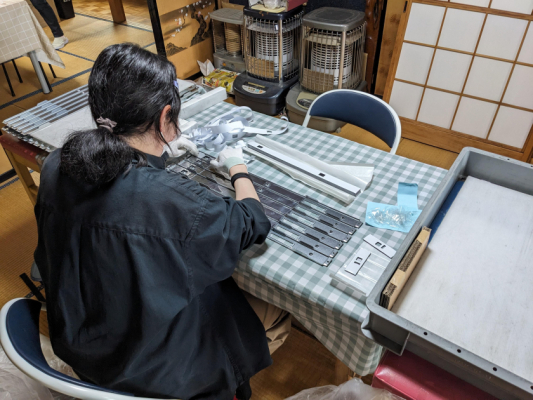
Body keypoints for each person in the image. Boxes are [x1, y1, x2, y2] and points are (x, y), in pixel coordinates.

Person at [34, 43, 290, 400]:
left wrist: (157, 159)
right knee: (278, 311)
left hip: (83, 346)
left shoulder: (56, 164)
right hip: (159, 375)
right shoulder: (172, 202)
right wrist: (238, 167)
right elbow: (252, 221)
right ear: (165, 115)